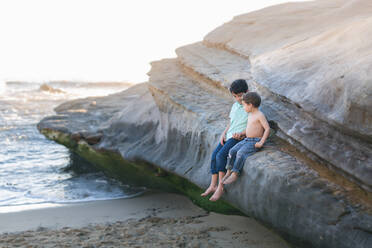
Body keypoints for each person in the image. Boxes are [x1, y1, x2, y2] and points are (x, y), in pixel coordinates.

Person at [210, 92, 270, 201]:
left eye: (244, 105)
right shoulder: (250, 114)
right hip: (247, 139)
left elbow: (267, 129)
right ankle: (228, 171)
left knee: (240, 153)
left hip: (254, 141)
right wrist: (241, 134)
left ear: (250, 105)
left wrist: (261, 142)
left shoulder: (259, 115)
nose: (243, 107)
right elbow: (249, 129)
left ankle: (235, 173)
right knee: (232, 150)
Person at [201, 79, 249, 201]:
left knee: (221, 156)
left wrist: (242, 134)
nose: (239, 98)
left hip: (238, 137)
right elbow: (231, 122)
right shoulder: (235, 106)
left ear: (247, 91)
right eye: (236, 96)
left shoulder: (249, 106)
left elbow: (253, 125)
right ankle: (213, 185)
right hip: (229, 135)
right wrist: (224, 132)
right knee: (214, 155)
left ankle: (220, 187)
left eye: (241, 95)